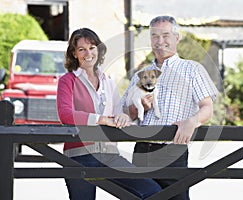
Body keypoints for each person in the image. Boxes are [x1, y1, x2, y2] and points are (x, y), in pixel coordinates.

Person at [56, 28, 161, 200]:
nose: (88, 53)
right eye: (81, 49)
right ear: (74, 54)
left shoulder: (108, 81)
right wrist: (101, 119)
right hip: (80, 156)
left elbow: (119, 113)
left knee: (151, 191)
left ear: (98, 50)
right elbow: (65, 114)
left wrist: (124, 116)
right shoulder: (67, 81)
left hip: (110, 155)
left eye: (92, 47)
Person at [122, 16, 219, 200]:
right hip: (142, 151)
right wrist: (139, 107)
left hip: (174, 151)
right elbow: (126, 114)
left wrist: (192, 121)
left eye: (165, 35)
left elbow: (207, 107)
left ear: (177, 38)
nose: (160, 41)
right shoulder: (140, 74)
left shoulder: (192, 69)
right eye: (154, 36)